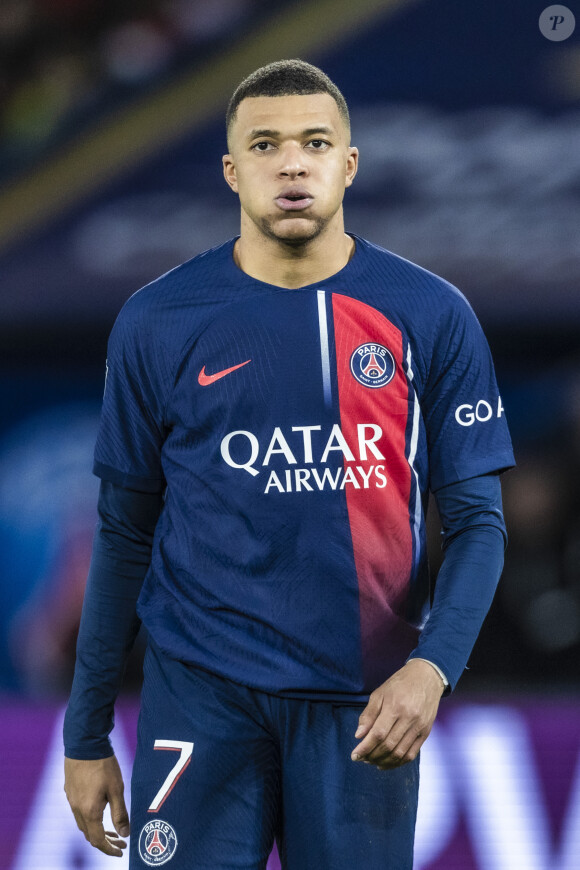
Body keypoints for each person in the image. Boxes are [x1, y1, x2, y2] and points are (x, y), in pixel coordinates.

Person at [64, 59, 515, 869]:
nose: (292, 162)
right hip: (199, 695)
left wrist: (433, 667)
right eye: (266, 144)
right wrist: (85, 732)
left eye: (314, 142)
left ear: (349, 162)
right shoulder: (157, 320)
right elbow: (123, 531)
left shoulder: (430, 314)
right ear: (233, 171)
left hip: (362, 700)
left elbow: (481, 523)